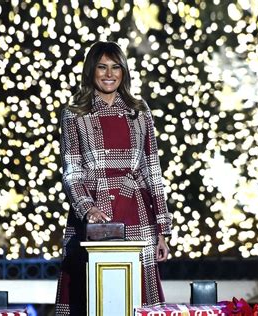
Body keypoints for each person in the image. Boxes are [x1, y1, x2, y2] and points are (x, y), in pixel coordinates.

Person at [55, 41, 172, 315]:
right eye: (102, 67)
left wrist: (162, 229)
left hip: (136, 213)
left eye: (116, 67)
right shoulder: (74, 114)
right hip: (93, 215)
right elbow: (72, 170)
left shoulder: (139, 111)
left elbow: (152, 170)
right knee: (93, 297)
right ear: (91, 71)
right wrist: (87, 208)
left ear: (124, 71)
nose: (109, 74)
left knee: (136, 297)